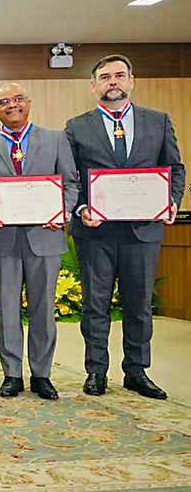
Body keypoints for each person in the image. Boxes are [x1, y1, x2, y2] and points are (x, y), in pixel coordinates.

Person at [65, 55, 185, 400]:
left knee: (139, 305)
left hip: (142, 231)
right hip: (95, 232)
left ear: (132, 80)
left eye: (119, 75)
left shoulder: (158, 122)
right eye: (105, 77)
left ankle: (136, 371)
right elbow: (70, 177)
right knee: (95, 305)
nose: (112, 82)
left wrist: (171, 200)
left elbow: (174, 168)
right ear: (93, 86)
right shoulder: (76, 126)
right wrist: (82, 207)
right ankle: (95, 371)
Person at [0, 83, 79, 400]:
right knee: (7, 310)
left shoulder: (56, 139)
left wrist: (64, 212)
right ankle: (12, 374)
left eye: (17, 99)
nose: (11, 105)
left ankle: (42, 374)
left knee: (43, 310)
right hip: (2, 239)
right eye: (4, 102)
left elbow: (70, 182)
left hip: (45, 237)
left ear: (28, 103)